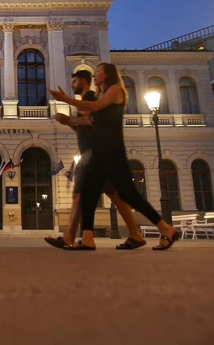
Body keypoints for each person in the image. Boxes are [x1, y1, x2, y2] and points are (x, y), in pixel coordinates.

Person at [49, 63, 181, 251]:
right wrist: (70, 120)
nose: (96, 74)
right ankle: (87, 238)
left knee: (128, 195)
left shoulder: (115, 90)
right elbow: (90, 122)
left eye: (99, 71)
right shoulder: (103, 94)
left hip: (112, 151)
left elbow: (94, 108)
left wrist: (66, 100)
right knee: (88, 192)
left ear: (108, 74)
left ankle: (165, 228)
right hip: (102, 151)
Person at [44, 70, 147, 250]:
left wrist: (69, 119)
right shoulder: (86, 102)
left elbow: (94, 121)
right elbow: (83, 128)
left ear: (84, 81)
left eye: (74, 81)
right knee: (109, 194)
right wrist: (69, 122)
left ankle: (73, 237)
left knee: (85, 195)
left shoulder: (90, 98)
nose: (72, 84)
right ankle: (135, 234)